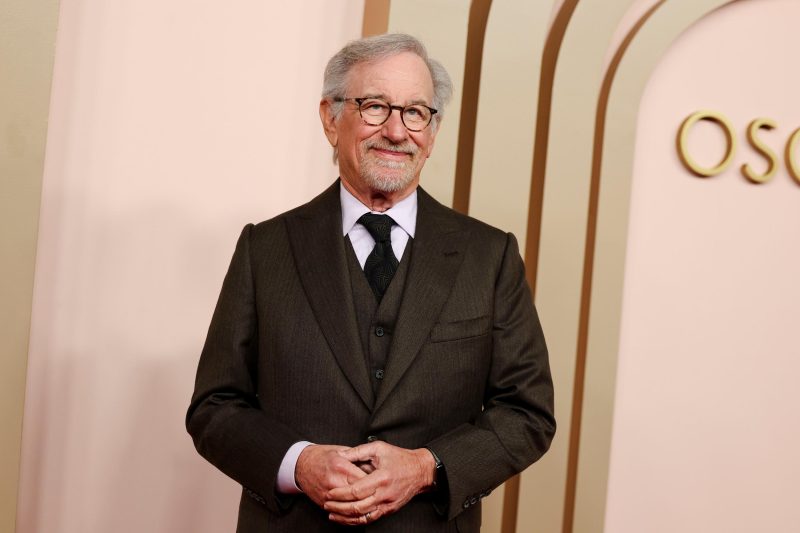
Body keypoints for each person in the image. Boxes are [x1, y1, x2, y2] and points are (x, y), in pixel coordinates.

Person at [187, 33, 555, 532]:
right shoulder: (264, 249)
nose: (397, 132)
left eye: (415, 112)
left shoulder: (490, 257)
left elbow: (528, 414)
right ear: (330, 118)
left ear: (433, 131)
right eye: (376, 106)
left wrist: (426, 467)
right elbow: (214, 407)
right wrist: (299, 463)